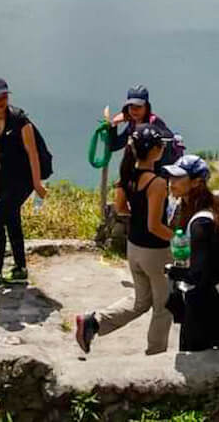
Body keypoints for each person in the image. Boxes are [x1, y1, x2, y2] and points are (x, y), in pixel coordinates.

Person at [75, 124, 173, 355]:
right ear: (156, 150)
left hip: (134, 249)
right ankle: (156, 354)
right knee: (163, 307)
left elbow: (120, 208)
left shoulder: (126, 176)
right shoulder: (156, 183)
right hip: (155, 253)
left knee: (141, 301)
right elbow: (155, 226)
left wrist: (138, 215)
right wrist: (182, 239)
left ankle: (93, 322)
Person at [0, 77, 47, 288]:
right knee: (11, 219)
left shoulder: (20, 120)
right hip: (5, 177)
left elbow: (32, 153)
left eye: (4, 96)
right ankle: (20, 269)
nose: (1, 101)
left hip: (24, 178)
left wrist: (37, 184)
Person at [163, 154, 219, 352]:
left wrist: (173, 271)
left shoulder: (200, 222)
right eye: (171, 178)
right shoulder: (198, 211)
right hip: (211, 304)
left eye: (177, 178)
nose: (171, 182)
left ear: (196, 183)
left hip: (203, 309)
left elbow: (200, 274)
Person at [106, 86, 182, 167]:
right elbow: (114, 146)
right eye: (131, 106)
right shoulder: (132, 125)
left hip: (161, 170)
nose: (134, 110)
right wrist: (114, 124)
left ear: (147, 107)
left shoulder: (155, 124)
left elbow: (167, 144)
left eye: (138, 106)